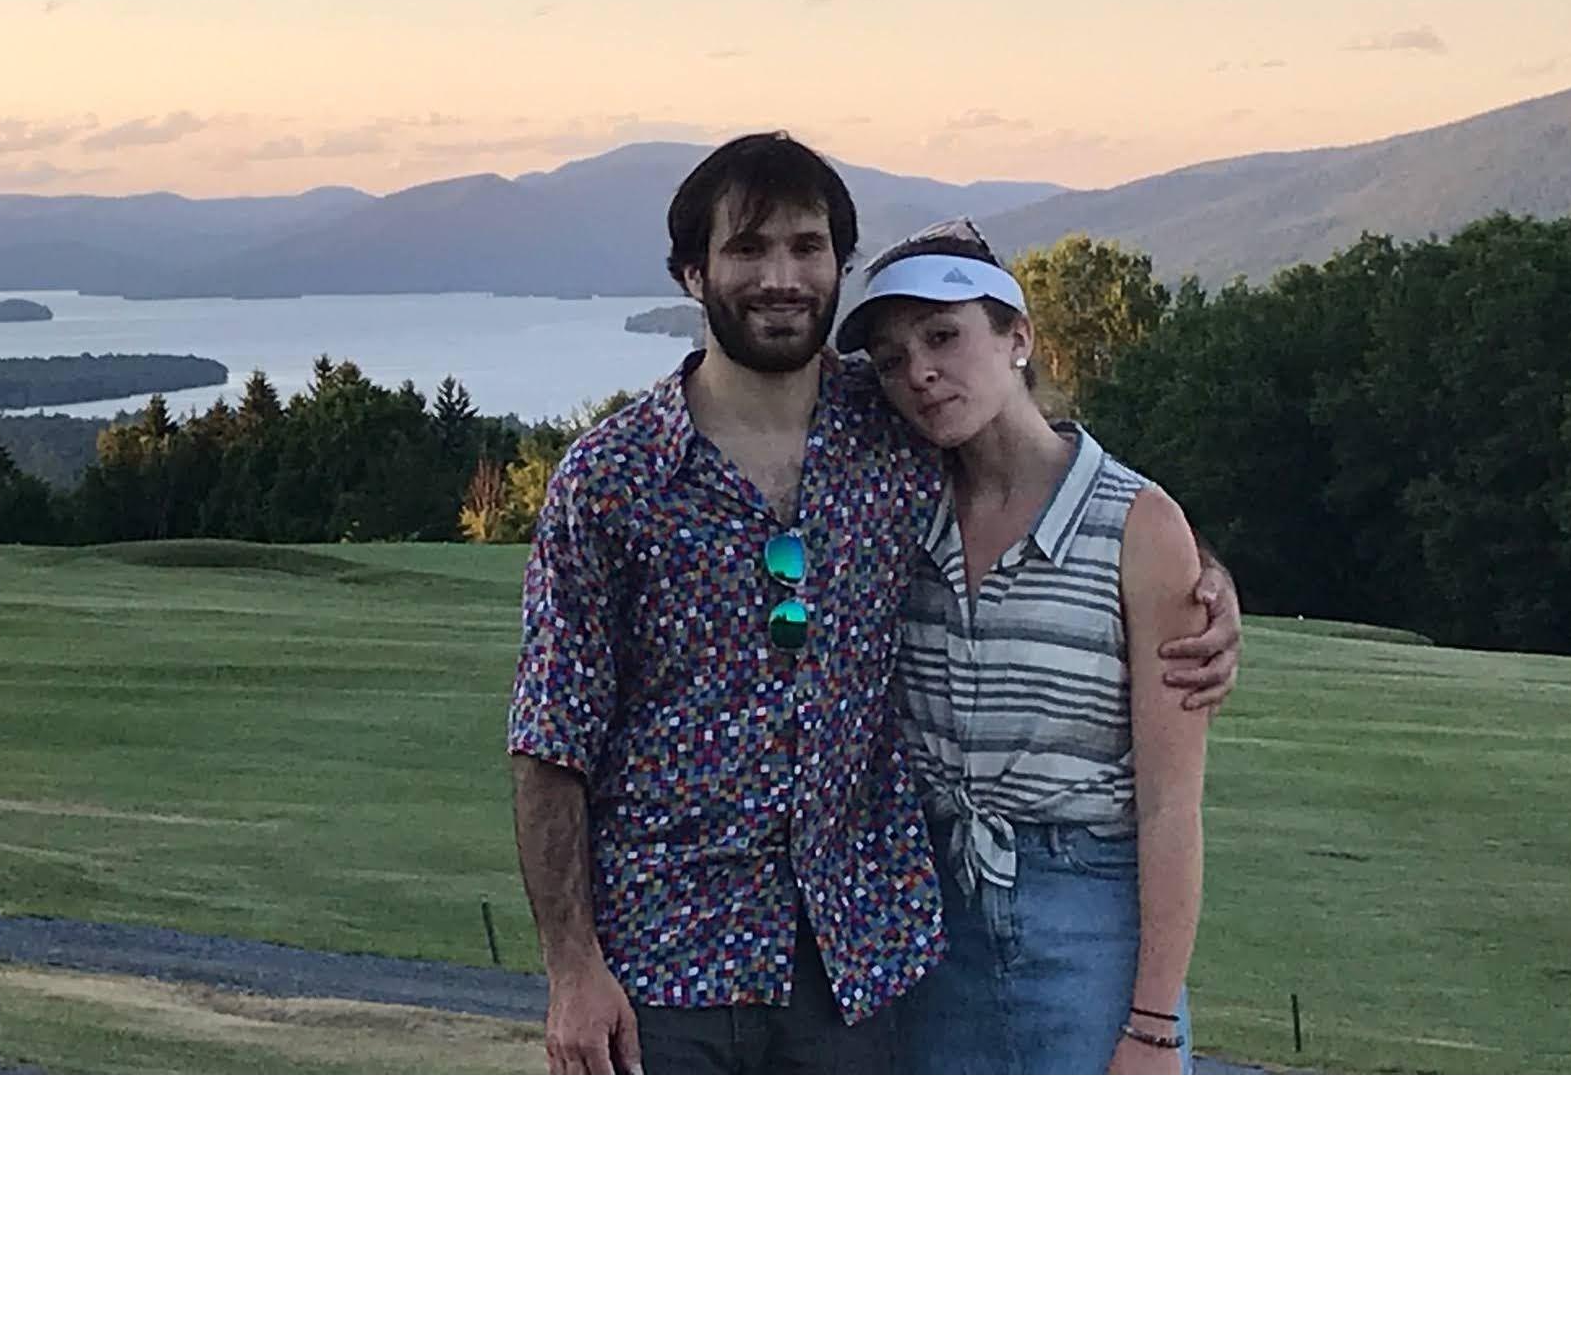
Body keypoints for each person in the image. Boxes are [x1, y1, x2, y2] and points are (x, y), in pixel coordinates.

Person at [507, 133, 1238, 1075]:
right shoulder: (610, 478)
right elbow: (550, 738)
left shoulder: (891, 427)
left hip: (858, 967)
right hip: (664, 964)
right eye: (747, 248)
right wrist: (571, 967)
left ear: (839, 266)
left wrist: (1198, 575)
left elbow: (1045, 473)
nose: (781, 277)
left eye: (806, 247)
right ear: (692, 272)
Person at [836, 221, 1206, 1073]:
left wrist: (1153, 1024)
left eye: (944, 336)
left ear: (1018, 338)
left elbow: (1170, 805)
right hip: (929, 927)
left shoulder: (1138, 524)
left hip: (1089, 921)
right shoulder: (894, 515)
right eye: (891, 360)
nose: (919, 372)